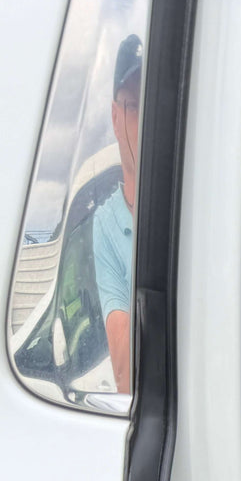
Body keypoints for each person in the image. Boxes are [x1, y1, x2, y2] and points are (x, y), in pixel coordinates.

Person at [92, 34, 142, 395]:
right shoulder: (105, 225)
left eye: (158, 106)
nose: (147, 125)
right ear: (115, 115)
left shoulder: (207, 200)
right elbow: (126, 374)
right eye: (136, 106)